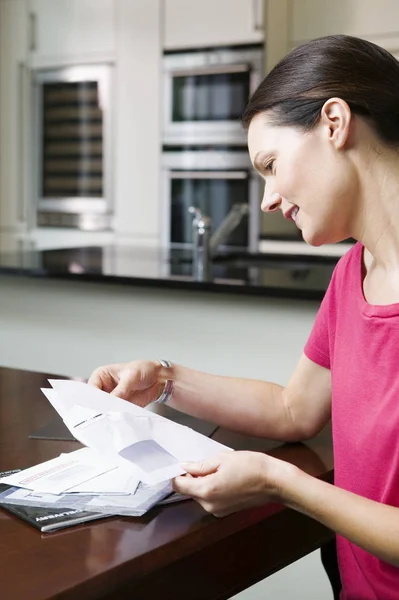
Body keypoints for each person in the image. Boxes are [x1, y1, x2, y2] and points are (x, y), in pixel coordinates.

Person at [88, 34, 399, 599]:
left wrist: (281, 482)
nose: (267, 199)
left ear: (335, 123)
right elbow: (293, 408)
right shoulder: (354, 272)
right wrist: (163, 377)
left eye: (270, 165)